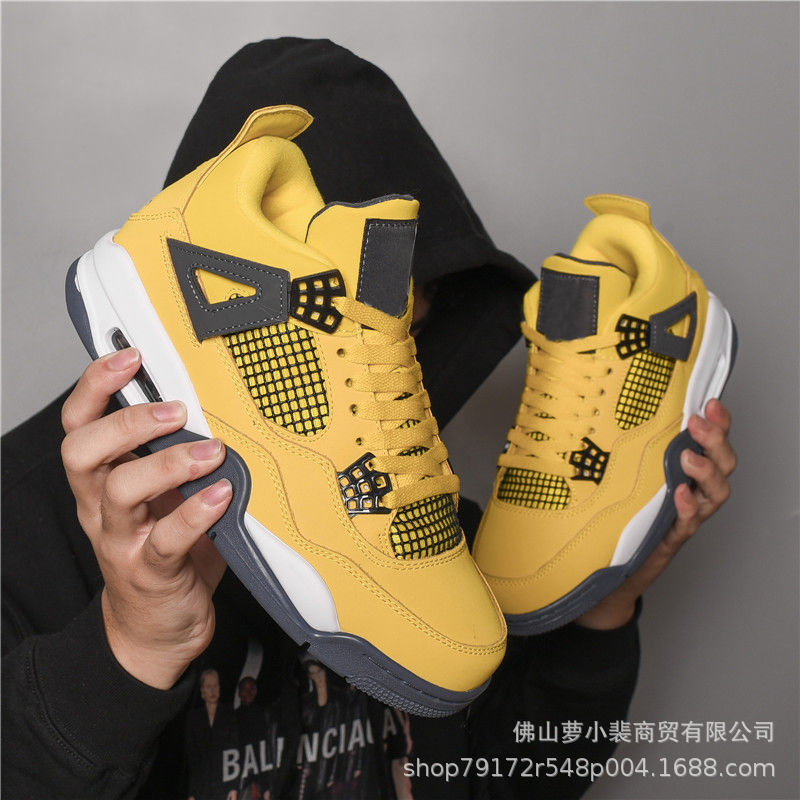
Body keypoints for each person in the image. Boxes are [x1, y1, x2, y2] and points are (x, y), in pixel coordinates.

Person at [1, 39, 736, 800]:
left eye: (404, 323)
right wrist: (130, 649)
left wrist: (601, 611)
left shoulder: (431, 519)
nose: (394, 357)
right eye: (352, 326)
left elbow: (512, 783)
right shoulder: (17, 524)